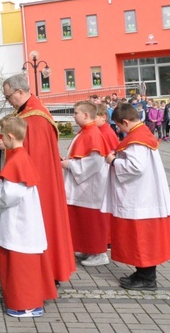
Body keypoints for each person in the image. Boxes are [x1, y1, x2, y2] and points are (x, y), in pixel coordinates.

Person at [0, 74, 75, 284]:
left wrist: (7, 149)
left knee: (40, 226)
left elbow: (30, 154)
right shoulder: (27, 112)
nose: (8, 101)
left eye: (9, 96)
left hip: (38, 186)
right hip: (34, 181)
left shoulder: (35, 117)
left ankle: (45, 273)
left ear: (20, 92)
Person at [0, 116, 57, 318]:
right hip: (24, 220)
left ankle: (25, 305)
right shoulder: (21, 156)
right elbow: (14, 187)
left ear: (9, 136)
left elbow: (10, 195)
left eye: (2, 135)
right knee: (24, 265)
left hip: (19, 224)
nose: (1, 139)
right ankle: (28, 303)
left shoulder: (17, 159)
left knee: (20, 267)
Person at [104, 104, 170, 290]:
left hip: (141, 196)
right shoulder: (141, 133)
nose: (120, 130)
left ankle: (147, 278)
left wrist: (113, 161)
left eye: (120, 127)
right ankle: (141, 272)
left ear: (126, 122)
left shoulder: (137, 139)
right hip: (142, 194)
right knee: (138, 237)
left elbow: (135, 167)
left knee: (142, 238)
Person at [61, 101, 111, 267]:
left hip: (90, 186)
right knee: (82, 219)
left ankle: (99, 252)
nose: (73, 116)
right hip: (82, 185)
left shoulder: (92, 134)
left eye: (76, 113)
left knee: (92, 220)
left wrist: (70, 165)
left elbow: (95, 162)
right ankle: (88, 248)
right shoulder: (85, 132)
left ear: (86, 115)